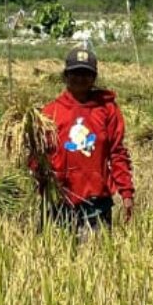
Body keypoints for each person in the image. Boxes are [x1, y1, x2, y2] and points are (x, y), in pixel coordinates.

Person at [38, 45, 135, 235]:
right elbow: (39, 156)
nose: (80, 79)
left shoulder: (107, 109)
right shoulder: (50, 113)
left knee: (94, 259)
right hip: (61, 199)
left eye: (86, 74)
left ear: (94, 78)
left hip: (95, 200)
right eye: (75, 73)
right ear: (65, 76)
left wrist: (126, 192)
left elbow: (117, 153)